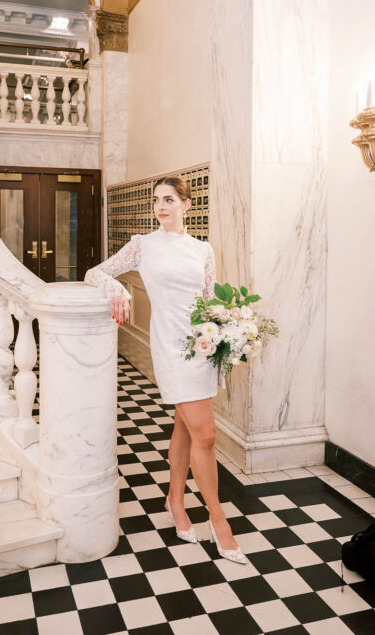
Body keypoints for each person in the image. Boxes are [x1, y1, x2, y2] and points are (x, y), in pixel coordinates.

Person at [84, 176, 247, 564]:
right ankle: (219, 520)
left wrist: (232, 331)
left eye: (169, 199)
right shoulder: (143, 245)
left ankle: (175, 498)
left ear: (186, 205)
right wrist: (116, 289)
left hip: (201, 346)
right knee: (205, 436)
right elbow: (95, 271)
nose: (161, 206)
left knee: (186, 428)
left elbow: (210, 300)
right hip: (170, 347)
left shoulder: (202, 249)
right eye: (156, 200)